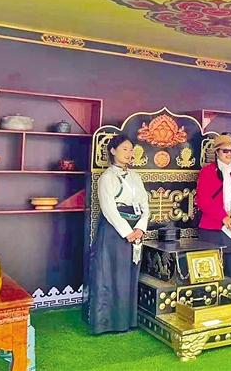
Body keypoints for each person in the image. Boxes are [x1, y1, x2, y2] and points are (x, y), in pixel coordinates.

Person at [88, 134, 149, 334]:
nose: (129, 153)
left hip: (135, 230)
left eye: (131, 150)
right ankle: (108, 322)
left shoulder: (136, 177)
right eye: (124, 149)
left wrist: (140, 228)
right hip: (114, 232)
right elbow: (109, 209)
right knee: (112, 273)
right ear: (113, 151)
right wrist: (127, 232)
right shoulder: (107, 178)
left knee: (129, 273)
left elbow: (144, 205)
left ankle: (128, 320)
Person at [196, 133, 231, 297]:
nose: (229, 154)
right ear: (217, 152)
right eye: (225, 151)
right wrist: (224, 218)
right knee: (212, 269)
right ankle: (212, 302)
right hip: (214, 227)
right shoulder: (207, 172)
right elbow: (203, 200)